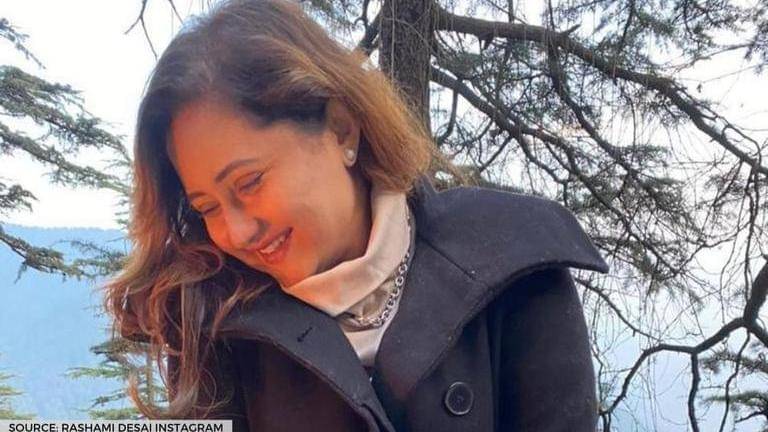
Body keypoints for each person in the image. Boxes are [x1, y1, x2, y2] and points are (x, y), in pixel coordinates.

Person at [105, 0, 610, 431]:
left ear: (341, 129)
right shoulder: (214, 321)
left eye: (249, 183)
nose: (236, 232)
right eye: (207, 207)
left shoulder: (512, 266)